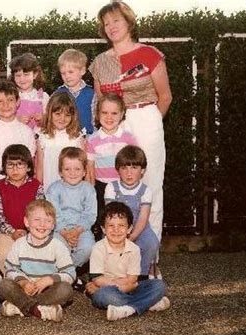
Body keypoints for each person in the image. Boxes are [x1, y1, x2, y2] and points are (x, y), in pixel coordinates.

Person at [90, 1, 173, 277]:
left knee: (150, 189)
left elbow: (165, 97)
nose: (111, 27)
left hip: (146, 119)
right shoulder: (100, 63)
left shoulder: (150, 55)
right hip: (115, 124)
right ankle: (119, 260)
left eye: (115, 21)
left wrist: (149, 124)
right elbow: (101, 102)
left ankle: (150, 259)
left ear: (128, 22)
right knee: (118, 190)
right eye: (106, 23)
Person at [85, 202, 170, 321]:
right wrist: (123, 286)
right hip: (109, 289)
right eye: (111, 226)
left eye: (121, 225)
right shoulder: (98, 248)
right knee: (103, 295)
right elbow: (98, 279)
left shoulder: (134, 249)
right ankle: (148, 303)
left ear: (129, 228)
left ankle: (129, 309)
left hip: (128, 289)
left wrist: (127, 286)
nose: (116, 230)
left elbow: (133, 279)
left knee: (159, 285)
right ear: (103, 229)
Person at [0, 199, 75, 322]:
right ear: (26, 222)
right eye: (37, 220)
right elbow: (10, 269)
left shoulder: (58, 246)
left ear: (53, 224)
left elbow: (70, 273)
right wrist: (23, 282)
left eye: (48, 221)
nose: (42, 225)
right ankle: (40, 309)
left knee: (66, 289)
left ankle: (20, 306)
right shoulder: (19, 244)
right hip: (24, 289)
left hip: (48, 291)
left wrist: (49, 280)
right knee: (4, 285)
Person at [86, 92, 137, 238]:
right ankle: (99, 252)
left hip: (123, 186)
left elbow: (134, 164)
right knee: (102, 220)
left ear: (122, 115)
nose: (109, 117)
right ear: (97, 114)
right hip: (101, 187)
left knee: (122, 219)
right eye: (104, 112)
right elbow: (90, 169)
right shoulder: (92, 139)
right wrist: (91, 193)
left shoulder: (128, 138)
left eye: (114, 113)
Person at [104, 145, 160, 277]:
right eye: (124, 168)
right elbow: (111, 216)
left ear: (142, 170)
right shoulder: (111, 187)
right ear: (118, 170)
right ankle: (117, 274)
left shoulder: (146, 191)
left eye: (134, 168)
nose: (129, 173)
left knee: (151, 243)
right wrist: (122, 234)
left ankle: (142, 274)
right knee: (110, 246)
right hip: (116, 227)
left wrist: (133, 235)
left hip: (139, 228)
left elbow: (143, 217)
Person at [0, 144, 45, 274]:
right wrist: (12, 232)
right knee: (6, 255)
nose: (15, 169)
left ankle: (32, 281)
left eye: (20, 164)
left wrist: (30, 231)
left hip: (32, 232)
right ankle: (9, 284)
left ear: (28, 167)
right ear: (4, 167)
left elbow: (41, 213)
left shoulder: (36, 186)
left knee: (38, 255)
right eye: (10, 165)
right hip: (7, 233)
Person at [0, 80, 36, 189]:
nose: (6, 105)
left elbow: (30, 162)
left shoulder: (26, 131)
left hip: (21, 185)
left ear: (18, 102)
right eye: (0, 101)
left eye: (10, 100)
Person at [46, 147, 96, 273]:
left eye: (77, 169)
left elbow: (90, 215)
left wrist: (77, 231)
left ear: (84, 171)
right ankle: (63, 273)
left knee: (88, 248)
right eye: (67, 169)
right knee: (59, 247)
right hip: (59, 229)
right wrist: (66, 233)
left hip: (82, 229)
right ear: (60, 172)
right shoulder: (54, 189)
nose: (72, 173)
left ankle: (68, 271)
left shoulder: (88, 189)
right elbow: (53, 214)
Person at [36, 92, 86, 191]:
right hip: (49, 188)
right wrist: (37, 190)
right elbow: (40, 167)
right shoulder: (43, 137)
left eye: (67, 115)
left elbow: (84, 166)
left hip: (73, 189)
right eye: (58, 114)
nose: (62, 119)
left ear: (73, 116)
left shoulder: (77, 138)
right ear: (50, 113)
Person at [55, 49, 96, 135]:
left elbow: (95, 118)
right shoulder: (57, 94)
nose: (67, 76)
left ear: (82, 71)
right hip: (64, 136)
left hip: (87, 136)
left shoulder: (92, 94)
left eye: (70, 72)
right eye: (63, 73)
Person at [9, 52, 49, 130]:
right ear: (13, 77)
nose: (22, 79)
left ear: (34, 75)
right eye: (18, 75)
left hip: (38, 138)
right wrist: (17, 119)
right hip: (17, 138)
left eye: (26, 74)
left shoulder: (43, 96)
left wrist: (43, 118)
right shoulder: (11, 96)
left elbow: (51, 119)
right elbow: (4, 118)